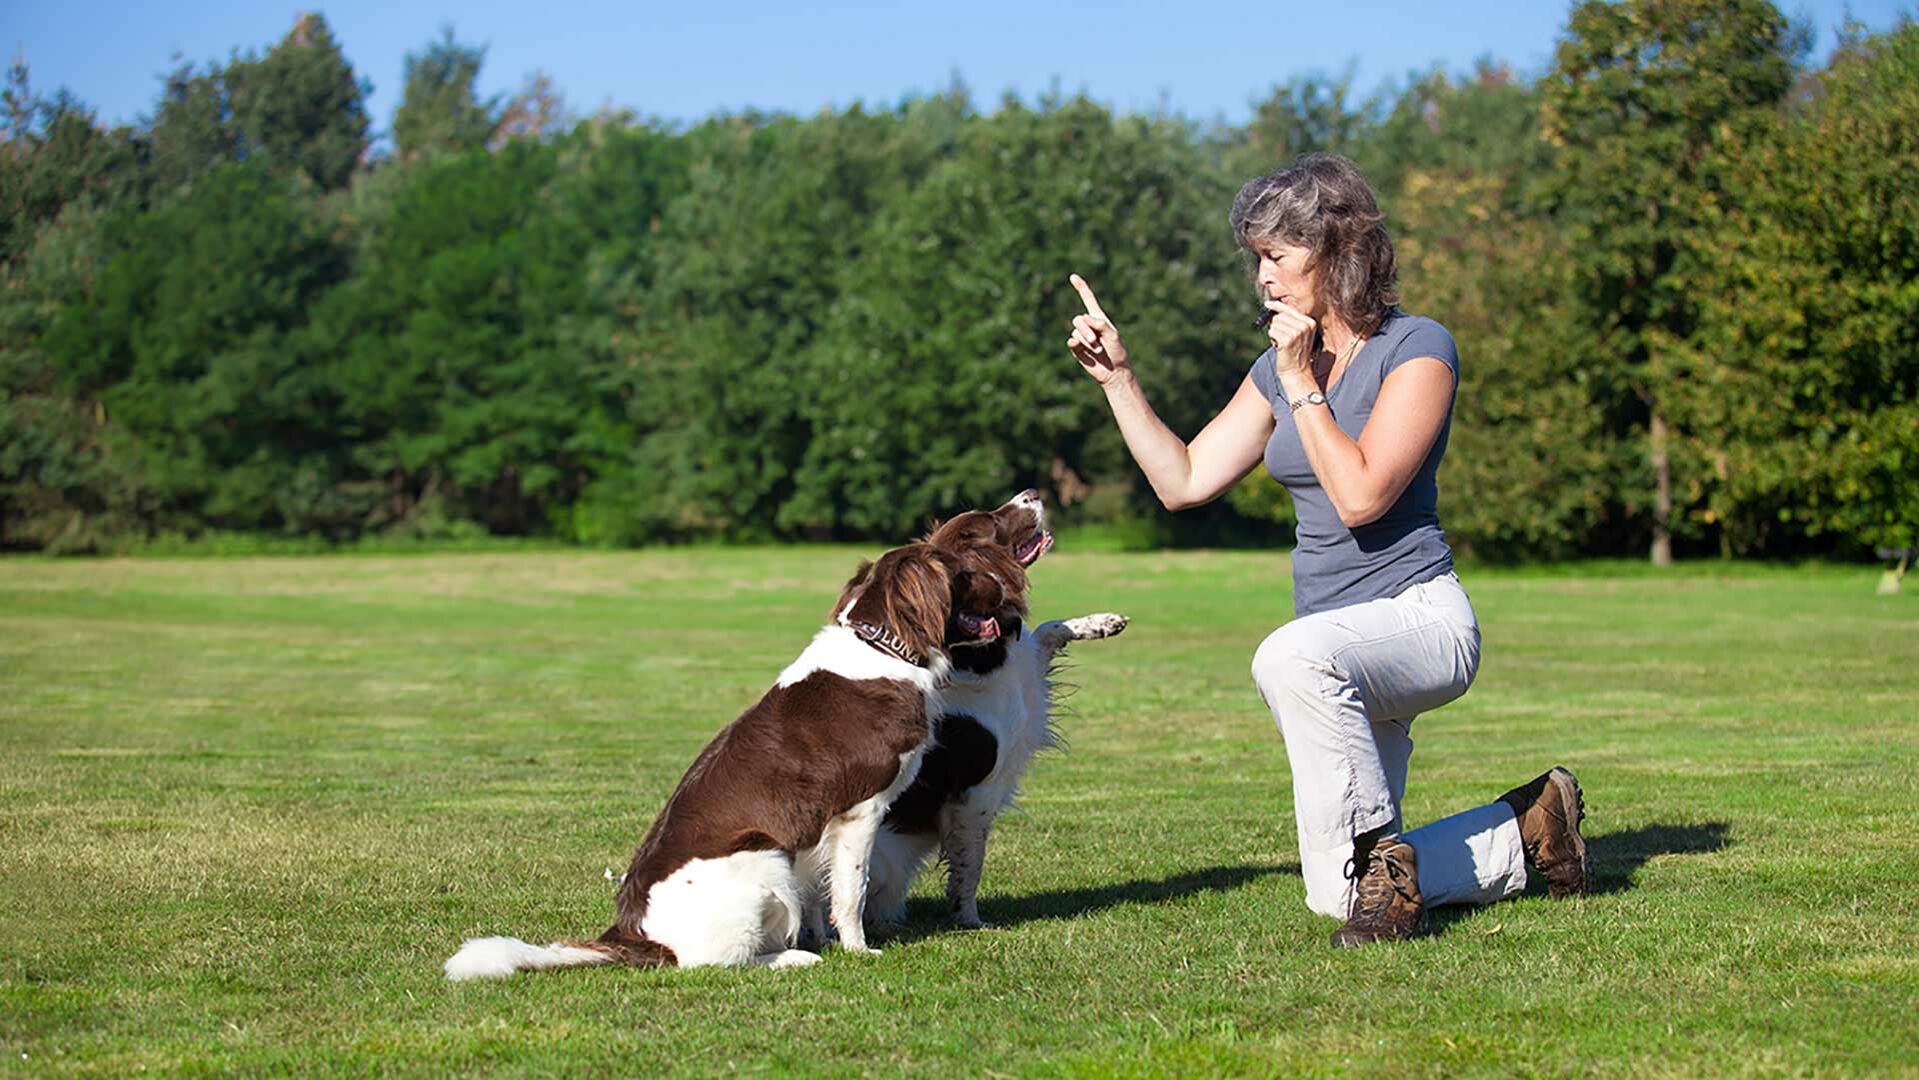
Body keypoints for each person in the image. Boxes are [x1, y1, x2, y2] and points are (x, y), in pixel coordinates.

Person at [1064, 153, 1588, 947]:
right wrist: (1118, 380)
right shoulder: (1274, 372)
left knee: (1288, 657)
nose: (1261, 279)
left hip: (1418, 619)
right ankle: (1527, 833)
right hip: (1334, 649)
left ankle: (1388, 873)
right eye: (1255, 260)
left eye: (1275, 255)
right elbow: (1186, 481)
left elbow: (1363, 494)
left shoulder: (1417, 348)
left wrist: (1301, 382)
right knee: (1331, 898)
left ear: (1336, 248)